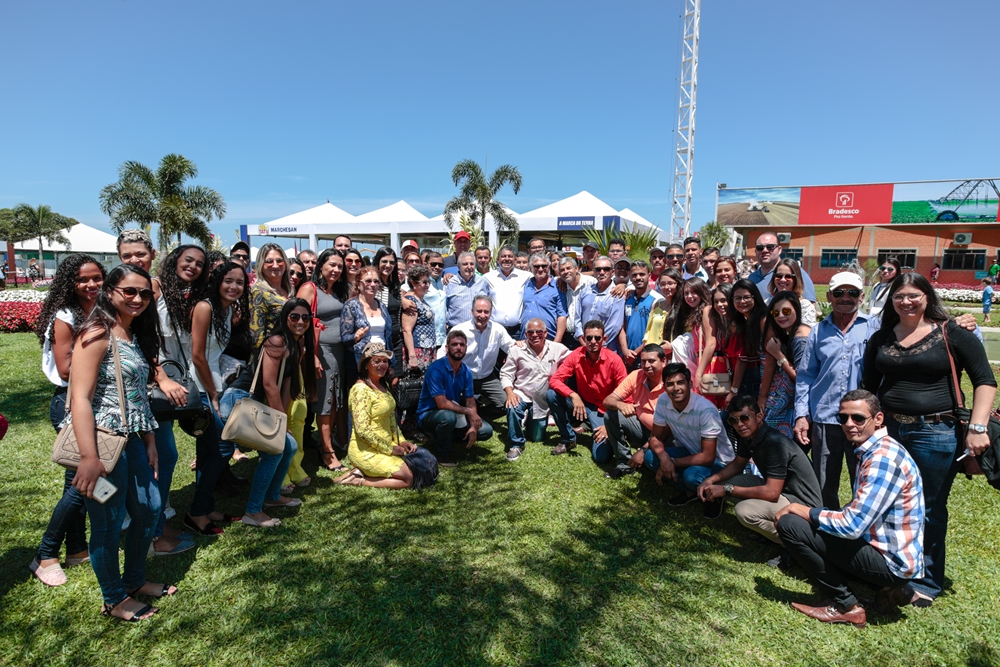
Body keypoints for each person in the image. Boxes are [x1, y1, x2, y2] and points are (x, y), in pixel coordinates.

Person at [862, 272, 996, 606]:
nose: (906, 302)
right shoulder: (881, 338)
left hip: (935, 433)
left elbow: (985, 380)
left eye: (913, 295)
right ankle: (888, 569)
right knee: (887, 502)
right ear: (891, 301)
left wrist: (977, 428)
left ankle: (927, 581)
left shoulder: (952, 333)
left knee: (930, 509)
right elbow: (868, 386)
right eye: (899, 297)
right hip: (890, 432)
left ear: (927, 296)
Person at [64, 264, 173, 621]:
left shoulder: (130, 333)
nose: (138, 298)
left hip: (133, 441)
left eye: (144, 293)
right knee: (108, 524)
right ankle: (113, 599)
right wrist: (88, 457)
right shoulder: (96, 333)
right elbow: (79, 398)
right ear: (110, 291)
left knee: (150, 509)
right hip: (104, 447)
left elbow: (137, 395)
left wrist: (150, 440)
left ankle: (134, 580)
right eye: (129, 291)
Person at [775, 390, 926, 628]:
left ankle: (847, 606)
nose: (848, 424)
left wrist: (801, 509)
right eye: (842, 418)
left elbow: (851, 526)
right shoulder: (878, 449)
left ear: (878, 419)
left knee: (791, 525)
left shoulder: (881, 460)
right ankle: (893, 590)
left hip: (892, 562)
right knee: (814, 526)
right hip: (893, 555)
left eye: (858, 418)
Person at [29, 255, 106, 587]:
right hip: (69, 401)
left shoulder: (99, 311)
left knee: (74, 483)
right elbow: (64, 369)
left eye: (96, 278)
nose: (90, 285)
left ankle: (76, 548)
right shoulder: (64, 316)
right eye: (82, 280)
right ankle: (45, 555)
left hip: (93, 399)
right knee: (79, 484)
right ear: (69, 283)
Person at [697, 395, 822, 565]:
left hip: (802, 503)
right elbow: (737, 464)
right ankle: (771, 531)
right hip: (782, 492)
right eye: (734, 420)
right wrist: (710, 481)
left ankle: (795, 543)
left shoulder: (774, 443)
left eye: (745, 418)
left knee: (744, 511)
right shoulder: (749, 436)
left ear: (759, 416)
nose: (740, 424)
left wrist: (727, 489)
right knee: (727, 483)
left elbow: (771, 493)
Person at [222, 298, 311, 526]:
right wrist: (280, 422)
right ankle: (252, 511)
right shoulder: (276, 342)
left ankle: (272, 497)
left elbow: (285, 388)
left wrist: (284, 424)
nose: (300, 321)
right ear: (285, 318)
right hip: (240, 399)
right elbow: (270, 384)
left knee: (288, 445)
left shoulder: (296, 345)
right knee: (274, 450)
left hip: (258, 403)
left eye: (305, 317)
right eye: (294, 316)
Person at [185, 261, 252, 534]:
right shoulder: (205, 307)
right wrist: (212, 393)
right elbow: (197, 354)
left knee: (208, 450)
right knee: (223, 448)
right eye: (228, 281)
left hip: (216, 384)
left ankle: (207, 506)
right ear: (217, 281)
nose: (234, 287)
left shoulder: (227, 311)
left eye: (239, 282)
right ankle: (197, 512)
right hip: (201, 386)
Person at [150, 244, 209, 554]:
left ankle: (156, 523)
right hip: (154, 384)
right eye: (189, 260)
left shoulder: (189, 297)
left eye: (200, 264)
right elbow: (140, 337)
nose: (193, 267)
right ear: (174, 260)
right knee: (162, 456)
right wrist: (160, 376)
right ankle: (152, 533)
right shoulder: (155, 288)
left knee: (163, 455)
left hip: (175, 385)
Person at [794, 272, 868, 509]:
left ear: (862, 297)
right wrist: (802, 415)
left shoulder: (874, 328)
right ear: (829, 297)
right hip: (825, 417)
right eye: (839, 293)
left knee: (865, 479)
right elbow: (806, 376)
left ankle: (862, 532)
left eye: (852, 293)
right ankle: (826, 531)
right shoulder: (817, 331)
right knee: (824, 482)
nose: (845, 297)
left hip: (862, 420)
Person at [634, 363, 733, 518]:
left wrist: (671, 462)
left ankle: (714, 495)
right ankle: (691, 490)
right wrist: (664, 457)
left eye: (680, 382)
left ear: (690, 384)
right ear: (664, 387)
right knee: (650, 457)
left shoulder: (705, 410)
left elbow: (708, 457)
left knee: (691, 476)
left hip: (719, 462)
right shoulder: (663, 400)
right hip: (689, 451)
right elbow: (656, 437)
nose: (676, 388)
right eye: (670, 384)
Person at [336, 342, 418, 488]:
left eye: (385, 361)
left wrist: (402, 441)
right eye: (377, 361)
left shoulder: (382, 386)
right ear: (366, 364)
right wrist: (390, 449)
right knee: (408, 478)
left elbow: (391, 419)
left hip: (387, 445)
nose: (382, 365)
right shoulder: (360, 390)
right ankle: (358, 479)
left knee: (418, 467)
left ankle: (360, 473)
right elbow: (362, 430)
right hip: (366, 451)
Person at [297, 249, 349, 471]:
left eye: (339, 266)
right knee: (325, 402)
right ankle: (327, 452)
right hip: (322, 351)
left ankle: (332, 444)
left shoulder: (337, 290)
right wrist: (312, 355)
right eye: (332, 265)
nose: (336, 270)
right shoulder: (310, 289)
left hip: (339, 353)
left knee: (336, 399)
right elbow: (298, 322)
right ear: (321, 266)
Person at [547, 319, 627, 461]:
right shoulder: (577, 355)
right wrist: (573, 395)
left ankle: (603, 429)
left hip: (605, 410)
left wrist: (610, 425)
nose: (593, 341)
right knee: (552, 395)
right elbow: (554, 380)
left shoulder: (615, 360)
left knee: (602, 457)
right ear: (583, 338)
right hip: (583, 404)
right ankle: (568, 438)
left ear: (604, 339)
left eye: (597, 337)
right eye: (589, 337)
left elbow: (626, 395)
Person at [416, 329, 494, 467]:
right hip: (429, 414)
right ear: (447, 348)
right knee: (447, 417)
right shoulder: (436, 369)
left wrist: (474, 428)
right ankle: (442, 452)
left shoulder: (466, 371)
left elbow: (470, 400)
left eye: (462, 345)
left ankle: (450, 437)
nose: (458, 348)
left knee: (486, 430)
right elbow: (441, 403)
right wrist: (470, 412)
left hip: (454, 413)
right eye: (454, 344)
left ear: (466, 348)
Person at [500, 318, 570, 461]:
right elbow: (506, 373)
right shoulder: (516, 350)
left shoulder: (557, 348)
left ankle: (529, 420)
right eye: (530, 332)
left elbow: (576, 357)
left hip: (542, 399)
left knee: (537, 438)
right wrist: (510, 392)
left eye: (539, 331)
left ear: (546, 333)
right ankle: (516, 444)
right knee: (512, 407)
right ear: (525, 334)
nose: (535, 335)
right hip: (522, 393)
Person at [439, 295, 512, 411]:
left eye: (486, 312)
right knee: (452, 404)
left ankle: (482, 410)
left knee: (506, 405)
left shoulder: (498, 330)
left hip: (487, 377)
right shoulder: (460, 330)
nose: (482, 316)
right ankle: (473, 407)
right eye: (479, 311)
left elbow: (511, 348)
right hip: (463, 376)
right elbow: (443, 352)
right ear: (472, 311)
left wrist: (521, 346)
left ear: (491, 313)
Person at [604, 344, 667, 479]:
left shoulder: (672, 382)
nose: (647, 365)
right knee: (611, 415)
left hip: (667, 436)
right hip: (642, 428)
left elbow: (670, 429)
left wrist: (643, 450)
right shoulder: (636, 375)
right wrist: (620, 404)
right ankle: (623, 463)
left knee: (652, 460)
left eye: (652, 361)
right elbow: (608, 400)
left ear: (664, 361)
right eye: (643, 361)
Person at [757, 291, 812, 438]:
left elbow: (801, 377)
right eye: (776, 312)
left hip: (804, 402)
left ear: (797, 310)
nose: (781, 316)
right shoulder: (791, 332)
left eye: (786, 311)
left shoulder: (801, 337)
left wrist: (778, 355)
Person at [342, 266, 393, 368]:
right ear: (358, 283)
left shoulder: (382, 306)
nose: (373, 285)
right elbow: (345, 338)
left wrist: (392, 364)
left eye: (376, 281)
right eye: (368, 281)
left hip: (382, 359)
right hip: (361, 361)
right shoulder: (350, 306)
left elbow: (389, 339)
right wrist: (355, 337)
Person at [727, 279, 768, 404]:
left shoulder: (763, 320)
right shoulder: (747, 320)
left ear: (755, 297)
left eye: (747, 297)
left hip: (770, 376)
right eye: (737, 298)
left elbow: (770, 358)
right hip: (760, 375)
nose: (742, 302)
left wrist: (763, 395)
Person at [574, 257, 625, 351]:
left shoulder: (617, 294)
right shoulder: (586, 290)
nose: (602, 272)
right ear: (594, 271)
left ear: (612, 272)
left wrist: (598, 342)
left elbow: (615, 325)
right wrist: (581, 336)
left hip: (606, 348)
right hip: (583, 345)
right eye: (598, 269)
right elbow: (577, 316)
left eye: (606, 269)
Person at [748, 232, 817, 302]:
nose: (765, 250)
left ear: (779, 249)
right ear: (755, 251)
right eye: (760, 248)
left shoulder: (795, 273)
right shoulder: (751, 278)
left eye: (770, 247)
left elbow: (810, 306)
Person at [249, 242, 291, 349]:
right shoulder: (258, 291)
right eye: (269, 261)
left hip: (290, 352)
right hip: (271, 356)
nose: (276, 265)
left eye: (279, 260)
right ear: (260, 265)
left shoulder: (288, 289)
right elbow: (256, 336)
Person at [484, 245, 531, 337]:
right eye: (503, 256)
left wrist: (560, 281)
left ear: (515, 259)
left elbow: (544, 279)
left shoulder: (526, 276)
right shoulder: (488, 277)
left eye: (510, 256)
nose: (507, 259)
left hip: (516, 331)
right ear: (497, 259)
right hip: (494, 331)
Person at [619, 261, 659, 368]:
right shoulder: (627, 297)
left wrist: (635, 353)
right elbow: (622, 326)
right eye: (634, 275)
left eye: (642, 274)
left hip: (646, 356)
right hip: (627, 356)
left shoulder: (657, 300)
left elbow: (653, 333)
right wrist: (625, 351)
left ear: (649, 275)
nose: (638, 277)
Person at [522, 254, 568, 341]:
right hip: (526, 338)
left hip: (548, 339)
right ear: (530, 267)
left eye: (544, 266)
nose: (540, 269)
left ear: (549, 267)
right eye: (536, 266)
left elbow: (562, 316)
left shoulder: (558, 286)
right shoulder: (526, 284)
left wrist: (557, 342)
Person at [445, 251, 494, 328]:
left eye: (472, 264)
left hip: (478, 330)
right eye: (465, 264)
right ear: (458, 266)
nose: (469, 267)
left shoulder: (482, 282)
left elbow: (489, 303)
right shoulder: (450, 283)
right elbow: (444, 307)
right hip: (457, 330)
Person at [642, 269, 682, 355]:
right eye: (662, 284)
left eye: (670, 283)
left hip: (672, 355)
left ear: (678, 284)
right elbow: (648, 332)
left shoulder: (683, 307)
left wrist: (673, 347)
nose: (666, 287)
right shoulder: (657, 304)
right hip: (653, 354)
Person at [556, 257, 594, 347]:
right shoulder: (559, 286)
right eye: (562, 270)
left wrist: (622, 286)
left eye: (568, 268)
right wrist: (559, 279)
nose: (565, 271)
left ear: (576, 269)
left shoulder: (591, 282)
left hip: (587, 337)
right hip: (567, 338)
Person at [767, 258, 817, 325]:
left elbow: (808, 333)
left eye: (788, 276)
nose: (783, 280)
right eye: (779, 276)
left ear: (796, 279)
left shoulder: (804, 306)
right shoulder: (767, 303)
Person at [116, 229, 159, 298]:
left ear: (152, 254)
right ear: (120, 258)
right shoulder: (114, 290)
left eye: (140, 254)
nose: (134, 260)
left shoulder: (166, 287)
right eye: (127, 256)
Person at [422, 251, 448, 346]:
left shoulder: (445, 282)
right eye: (433, 264)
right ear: (425, 264)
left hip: (443, 338)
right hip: (426, 338)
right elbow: (405, 291)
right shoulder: (420, 283)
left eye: (440, 265)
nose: (437, 267)